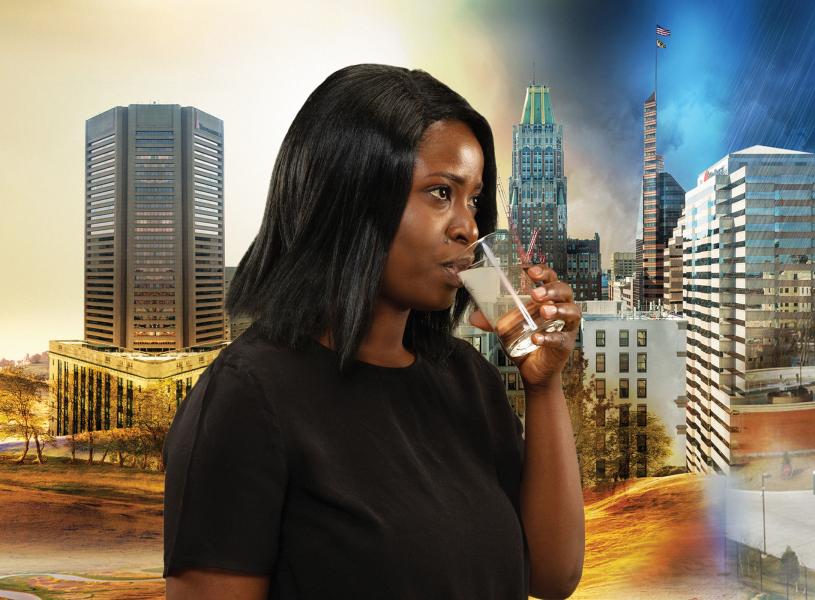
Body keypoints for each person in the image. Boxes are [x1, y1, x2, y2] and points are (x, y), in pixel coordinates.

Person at [162, 64, 585, 599]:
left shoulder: (467, 380)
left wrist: (544, 385)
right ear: (352, 198)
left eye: (474, 198)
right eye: (440, 193)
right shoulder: (248, 397)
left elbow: (553, 575)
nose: (469, 227)